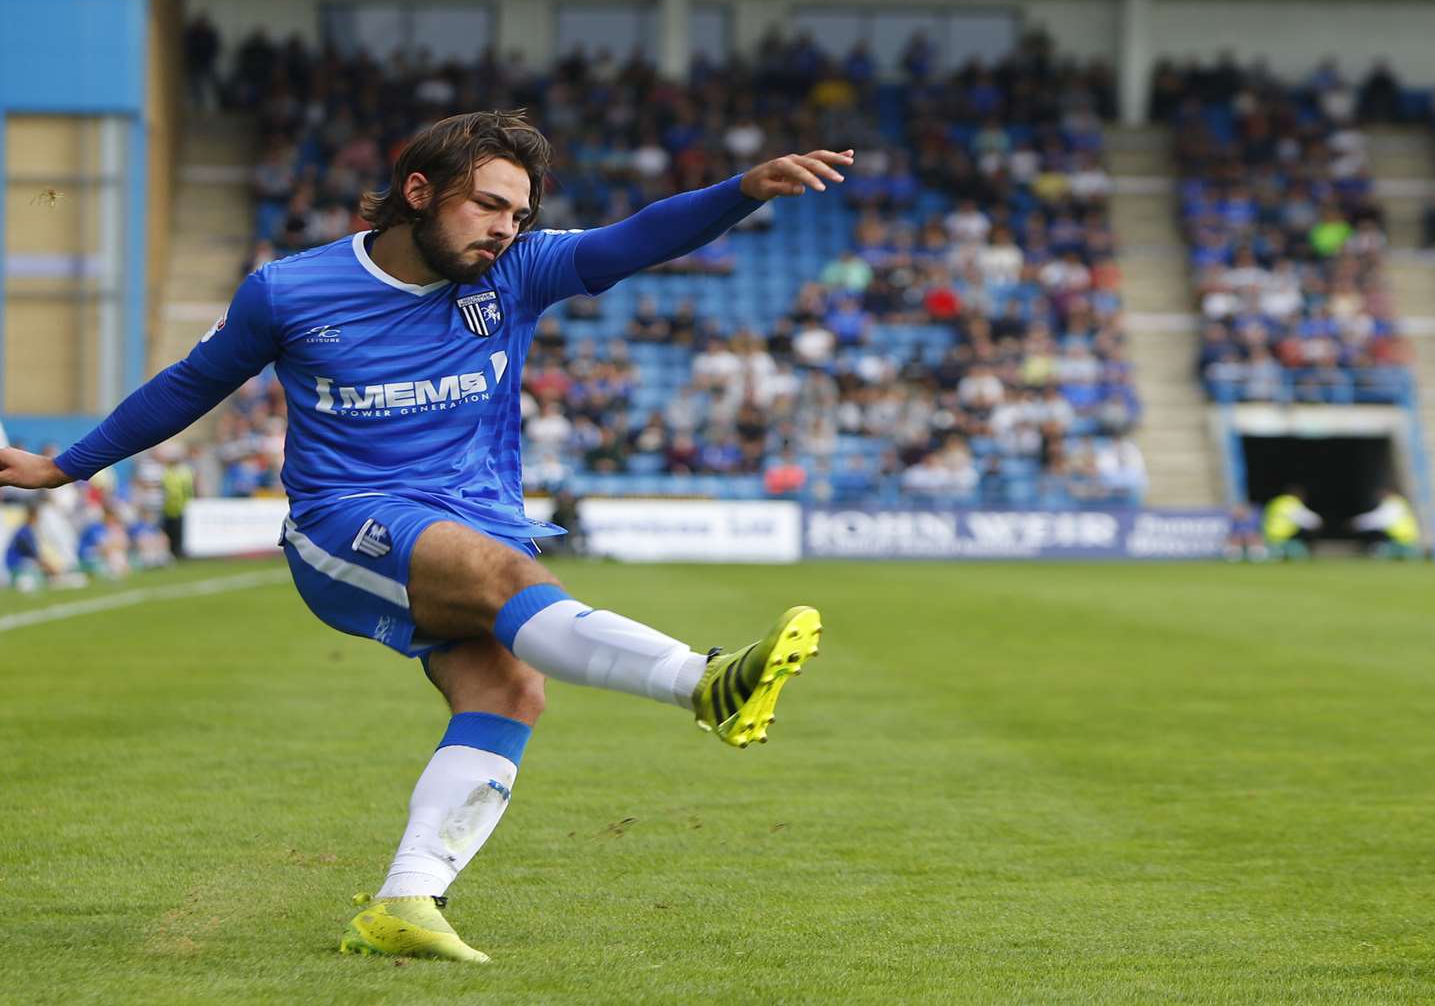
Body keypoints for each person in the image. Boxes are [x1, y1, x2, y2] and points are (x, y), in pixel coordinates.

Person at [0, 110, 853, 963]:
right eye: (486, 206)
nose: (504, 230)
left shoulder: (517, 273)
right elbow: (191, 385)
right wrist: (63, 467)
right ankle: (702, 684)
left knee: (509, 694)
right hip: (346, 522)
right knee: (498, 575)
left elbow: (631, 241)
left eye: (517, 215)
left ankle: (404, 900)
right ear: (418, 192)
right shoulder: (289, 291)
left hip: (469, 518)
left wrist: (741, 192)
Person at [1353, 487, 1421, 560]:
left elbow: (1380, 519)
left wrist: (1359, 523)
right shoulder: (1398, 501)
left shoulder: (1392, 503)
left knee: (1377, 550)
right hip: (1407, 539)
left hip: (1401, 540)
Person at [1261, 486, 1323, 561]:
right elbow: (1310, 521)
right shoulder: (1293, 504)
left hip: (1267, 537)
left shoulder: (1276, 501)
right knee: (1301, 556)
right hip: (1283, 540)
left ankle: (1276, 553)